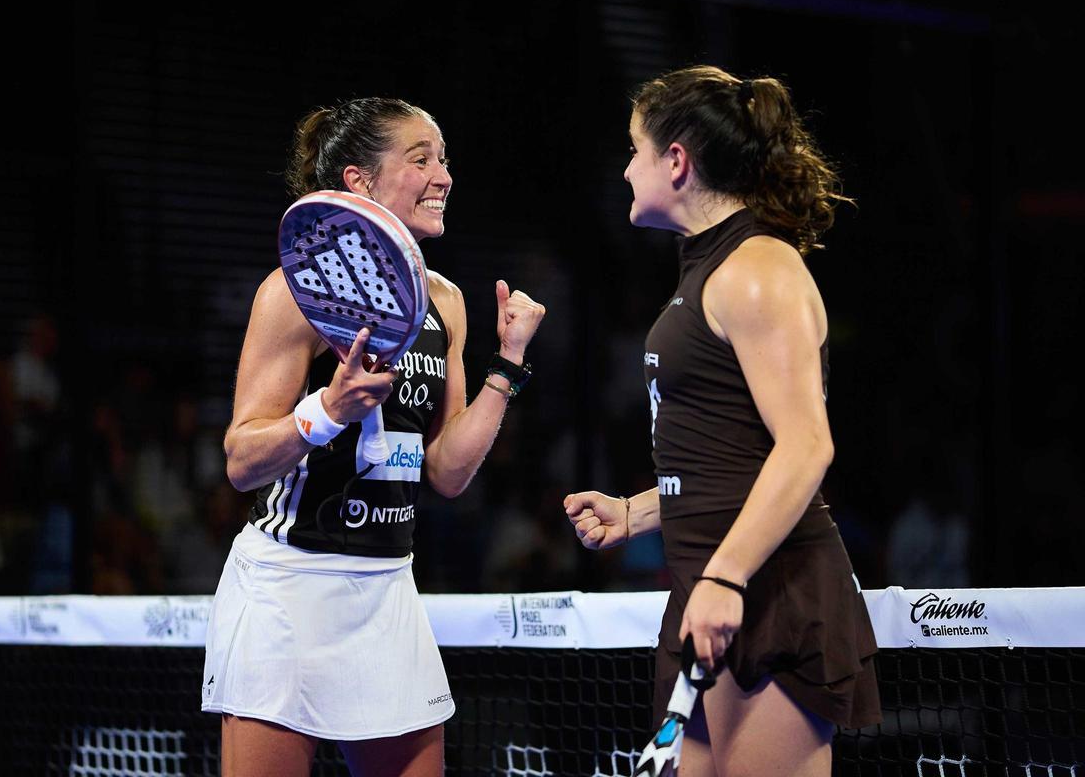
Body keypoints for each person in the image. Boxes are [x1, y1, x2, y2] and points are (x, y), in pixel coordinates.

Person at [202, 97, 545, 777]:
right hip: (288, 590)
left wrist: (507, 364)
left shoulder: (443, 300)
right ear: (359, 181)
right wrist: (326, 410)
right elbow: (242, 459)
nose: (443, 176)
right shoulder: (295, 291)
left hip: (388, 588)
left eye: (444, 160)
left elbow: (446, 473)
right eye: (420, 160)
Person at [564, 66, 881, 776]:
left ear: (676, 160)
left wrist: (728, 578)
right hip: (712, 586)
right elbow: (731, 457)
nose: (623, 168)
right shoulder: (708, 270)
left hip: (767, 590)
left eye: (633, 148)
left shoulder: (757, 268)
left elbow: (805, 446)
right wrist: (635, 513)